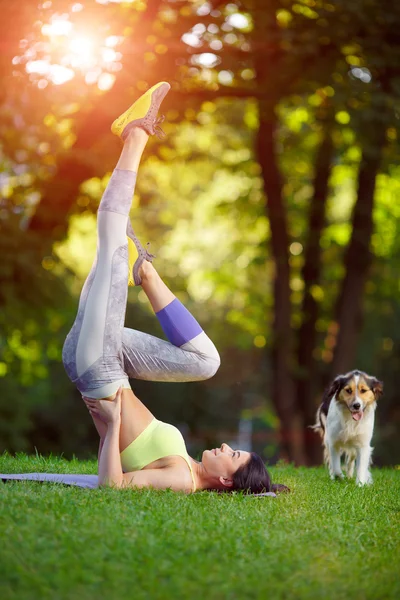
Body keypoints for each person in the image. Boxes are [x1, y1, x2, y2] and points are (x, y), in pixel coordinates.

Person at [61, 82, 288, 495]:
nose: (225, 446)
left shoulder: (182, 480)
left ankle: (136, 133)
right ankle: (146, 274)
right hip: (112, 363)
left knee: (112, 240)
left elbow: (113, 485)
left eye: (232, 455)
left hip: (97, 366)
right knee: (206, 362)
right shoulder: (185, 464)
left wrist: (111, 427)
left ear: (225, 479)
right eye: (234, 448)